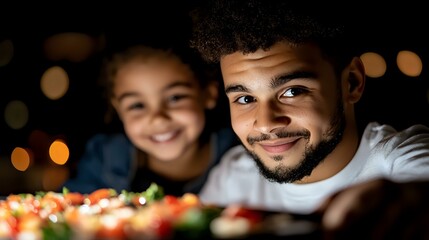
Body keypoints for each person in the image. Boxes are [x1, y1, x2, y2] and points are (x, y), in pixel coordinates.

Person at [189, 0, 429, 238]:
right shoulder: (233, 176)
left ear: (352, 82)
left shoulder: (400, 159)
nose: (265, 123)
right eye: (244, 99)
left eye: (292, 91)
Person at [61, 42, 239, 196]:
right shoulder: (104, 158)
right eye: (137, 106)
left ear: (209, 93)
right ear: (119, 109)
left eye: (175, 98)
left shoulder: (243, 156)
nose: (158, 119)